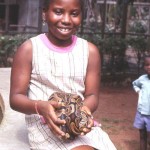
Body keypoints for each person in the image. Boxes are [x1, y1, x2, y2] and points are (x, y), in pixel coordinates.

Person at [10, 0, 116, 149]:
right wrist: (40, 107)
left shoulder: (90, 52)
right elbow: (15, 98)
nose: (66, 20)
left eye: (74, 14)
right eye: (58, 12)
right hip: (45, 124)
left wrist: (82, 112)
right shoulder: (29, 49)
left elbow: (92, 96)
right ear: (44, 13)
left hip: (78, 121)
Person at [132, 55, 150, 150]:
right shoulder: (142, 79)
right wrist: (138, 91)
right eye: (147, 64)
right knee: (142, 135)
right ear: (144, 67)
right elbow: (135, 84)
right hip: (141, 113)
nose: (149, 67)